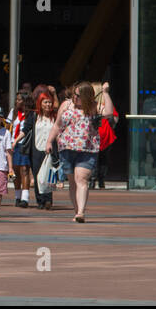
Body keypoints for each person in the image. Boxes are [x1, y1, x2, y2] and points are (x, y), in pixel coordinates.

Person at [48, 82, 114, 223]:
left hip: (87, 149)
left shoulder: (93, 107)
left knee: (81, 179)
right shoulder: (66, 105)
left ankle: (81, 212)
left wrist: (106, 93)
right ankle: (76, 210)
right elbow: (57, 125)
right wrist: (49, 141)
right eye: (73, 94)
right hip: (66, 148)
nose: (74, 97)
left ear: (86, 96)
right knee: (72, 182)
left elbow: (108, 113)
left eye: (77, 95)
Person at [29, 92, 58, 209]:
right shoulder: (34, 116)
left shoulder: (55, 117)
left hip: (50, 150)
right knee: (38, 176)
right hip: (37, 149)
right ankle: (40, 200)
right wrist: (15, 140)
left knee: (49, 175)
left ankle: (48, 200)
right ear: (40, 104)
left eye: (50, 102)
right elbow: (26, 129)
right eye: (45, 102)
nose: (48, 104)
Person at [10, 91, 35, 208]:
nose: (17, 102)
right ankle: (17, 196)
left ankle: (25, 198)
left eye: (20, 99)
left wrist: (16, 140)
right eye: (17, 99)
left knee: (24, 169)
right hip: (12, 144)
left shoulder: (31, 114)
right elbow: (7, 126)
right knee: (14, 171)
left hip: (24, 144)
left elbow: (27, 129)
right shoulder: (14, 112)